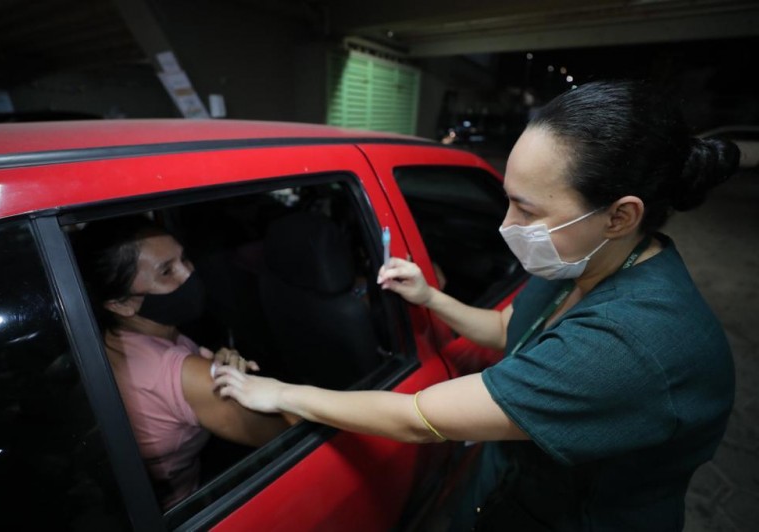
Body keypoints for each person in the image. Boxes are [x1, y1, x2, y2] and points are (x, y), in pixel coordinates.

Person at [212, 80, 739, 531]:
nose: (505, 223)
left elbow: (418, 419)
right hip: (506, 495)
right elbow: (509, 327)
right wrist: (431, 296)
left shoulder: (630, 348)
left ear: (620, 216)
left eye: (526, 209)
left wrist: (282, 392)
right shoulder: (586, 261)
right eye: (507, 197)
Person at [73, 215, 294, 510]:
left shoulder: (113, 337)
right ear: (122, 303)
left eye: (184, 259)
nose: (188, 274)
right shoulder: (181, 374)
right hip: (189, 508)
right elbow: (293, 435)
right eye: (166, 272)